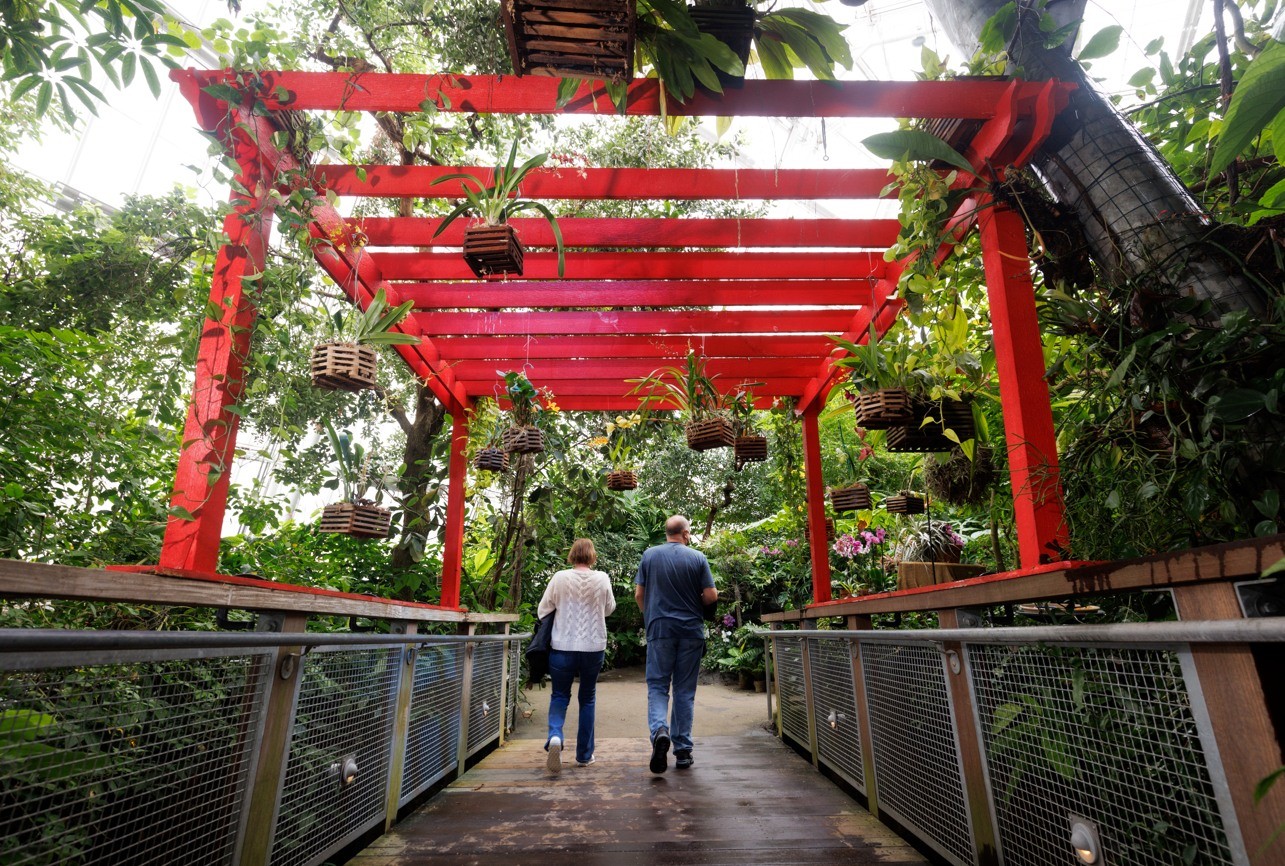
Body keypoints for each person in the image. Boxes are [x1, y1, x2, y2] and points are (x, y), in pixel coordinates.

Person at [634, 515, 717, 773]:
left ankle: (660, 731)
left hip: (660, 629)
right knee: (684, 690)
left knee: (658, 685)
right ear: (685, 533)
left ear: (667, 532)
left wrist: (650, 618)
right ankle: (682, 751)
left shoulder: (650, 555)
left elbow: (639, 594)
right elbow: (711, 595)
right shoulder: (697, 558)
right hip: (691, 631)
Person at [537, 538, 616, 774]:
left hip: (562, 647)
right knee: (588, 698)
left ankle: (555, 736)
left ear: (572, 555)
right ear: (592, 556)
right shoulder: (602, 578)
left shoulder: (560, 577)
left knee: (560, 695)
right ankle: (584, 755)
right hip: (593, 648)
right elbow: (609, 608)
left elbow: (543, 610)